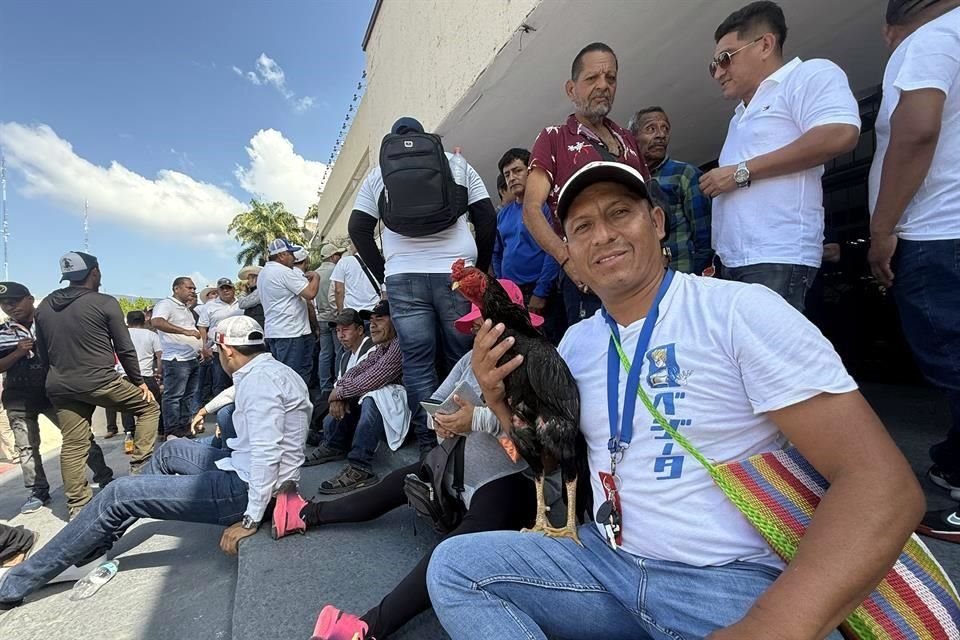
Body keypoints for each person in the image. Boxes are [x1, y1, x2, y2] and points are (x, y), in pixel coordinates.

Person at [426, 161, 925, 639]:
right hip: (607, 563)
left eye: (619, 213)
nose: (602, 235)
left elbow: (880, 483)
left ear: (658, 222)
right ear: (570, 253)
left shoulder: (737, 312)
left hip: (726, 584)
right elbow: (554, 460)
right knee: (453, 567)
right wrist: (500, 403)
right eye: (581, 227)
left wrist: (771, 626)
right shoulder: (574, 344)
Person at [274, 283, 548, 640]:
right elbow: (438, 397)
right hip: (455, 462)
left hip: (512, 480)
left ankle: (366, 628)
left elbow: (540, 441)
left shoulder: (538, 361)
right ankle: (305, 514)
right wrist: (442, 420)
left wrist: (478, 420)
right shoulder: (471, 359)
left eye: (483, 324)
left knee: (451, 554)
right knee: (395, 483)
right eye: (475, 326)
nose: (477, 332)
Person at [0, 315, 312, 611]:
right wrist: (205, 408)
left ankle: (14, 584)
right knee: (169, 451)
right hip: (242, 468)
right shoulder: (269, 372)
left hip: (245, 490)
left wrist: (250, 520)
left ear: (227, 350)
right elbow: (238, 394)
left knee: (119, 494)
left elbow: (266, 455)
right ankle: (92, 544)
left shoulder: (259, 383)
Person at [866, 0, 960, 541]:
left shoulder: (926, 41)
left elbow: (917, 129)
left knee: (952, 359)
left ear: (891, 28)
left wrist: (883, 228)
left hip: (938, 230)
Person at [348, 116, 496, 458]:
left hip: (404, 279)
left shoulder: (378, 174)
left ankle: (431, 446)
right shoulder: (457, 164)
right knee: (462, 356)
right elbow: (487, 218)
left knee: (417, 363)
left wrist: (385, 270)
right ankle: (465, 438)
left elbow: (358, 228)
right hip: (456, 273)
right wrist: (481, 267)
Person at [700, 1, 860, 311]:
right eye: (713, 65)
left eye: (725, 59)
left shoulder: (807, 75)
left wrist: (740, 172)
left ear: (765, 45)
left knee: (769, 358)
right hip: (736, 262)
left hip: (775, 258)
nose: (718, 72)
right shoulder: (739, 115)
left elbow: (840, 133)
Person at [522, 42, 649, 328]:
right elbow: (531, 208)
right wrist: (567, 260)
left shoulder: (628, 140)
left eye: (611, 78)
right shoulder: (553, 139)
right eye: (592, 78)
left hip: (638, 272)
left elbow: (648, 200)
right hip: (588, 276)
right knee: (596, 359)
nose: (603, 85)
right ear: (571, 89)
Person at [34, 253, 160, 518]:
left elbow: (43, 352)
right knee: (149, 408)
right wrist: (139, 382)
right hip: (101, 380)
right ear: (95, 272)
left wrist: (56, 376)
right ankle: (139, 470)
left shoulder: (45, 305)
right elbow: (124, 349)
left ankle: (77, 505)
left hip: (61, 383)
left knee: (73, 443)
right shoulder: (104, 302)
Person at [0, 282, 113, 515]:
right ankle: (37, 491)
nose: (10, 307)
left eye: (15, 301)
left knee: (80, 437)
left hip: (56, 393)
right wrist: (19, 352)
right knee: (26, 447)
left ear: (30, 299)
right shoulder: (3, 332)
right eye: (4, 303)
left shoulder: (49, 322)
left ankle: (105, 477)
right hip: (18, 397)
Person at [307, 301, 407, 493]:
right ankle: (334, 445)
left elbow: (375, 376)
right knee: (354, 394)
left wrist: (339, 392)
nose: (374, 325)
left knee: (373, 395)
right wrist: (339, 395)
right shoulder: (380, 349)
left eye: (380, 319)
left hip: (404, 417)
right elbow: (356, 372)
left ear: (395, 322)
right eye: (372, 320)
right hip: (387, 415)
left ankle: (360, 466)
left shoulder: (398, 345)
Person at [629, 106, 713, 274]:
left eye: (665, 129)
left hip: (682, 276)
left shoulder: (685, 175)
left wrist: (695, 278)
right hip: (642, 281)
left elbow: (705, 237)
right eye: (651, 129)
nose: (660, 135)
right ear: (633, 137)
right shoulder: (629, 180)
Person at [492, 148, 564, 343]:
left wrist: (540, 292)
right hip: (513, 296)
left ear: (530, 171)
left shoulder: (543, 208)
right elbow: (497, 253)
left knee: (550, 344)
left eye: (517, 171)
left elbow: (553, 251)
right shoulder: (503, 215)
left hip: (541, 293)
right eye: (507, 174)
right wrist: (502, 285)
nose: (512, 178)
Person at [305, 308, 375, 447]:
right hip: (348, 399)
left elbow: (361, 383)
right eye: (338, 331)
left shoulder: (371, 349)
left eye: (345, 329)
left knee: (336, 407)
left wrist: (339, 397)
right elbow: (339, 384)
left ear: (360, 330)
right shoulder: (345, 356)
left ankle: (329, 441)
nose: (341, 335)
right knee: (325, 399)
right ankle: (326, 437)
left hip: (361, 402)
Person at [258, 237, 321, 384]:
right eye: (290, 254)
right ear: (281, 256)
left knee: (282, 376)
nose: (294, 258)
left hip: (276, 331)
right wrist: (316, 277)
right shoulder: (283, 272)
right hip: (290, 333)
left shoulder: (264, 273)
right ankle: (294, 406)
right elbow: (310, 294)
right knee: (291, 379)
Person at [105, 311, 164, 454]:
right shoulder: (152, 335)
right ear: (144, 321)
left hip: (124, 375)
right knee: (156, 404)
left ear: (127, 322)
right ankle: (161, 431)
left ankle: (129, 435)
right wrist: (159, 372)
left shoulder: (119, 336)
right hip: (146, 376)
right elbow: (159, 355)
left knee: (127, 408)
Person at [152, 277, 203, 439]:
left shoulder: (186, 309)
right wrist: (184, 332)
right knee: (173, 396)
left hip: (191, 358)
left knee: (188, 396)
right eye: (189, 288)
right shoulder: (166, 304)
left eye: (194, 289)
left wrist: (201, 349)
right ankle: (172, 430)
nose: (193, 291)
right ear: (176, 289)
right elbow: (157, 321)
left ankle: (184, 427)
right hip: (176, 359)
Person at [198, 277, 243, 397]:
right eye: (222, 288)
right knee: (220, 382)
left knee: (241, 381)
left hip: (240, 348)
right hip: (218, 349)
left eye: (228, 288)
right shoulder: (209, 306)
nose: (225, 290)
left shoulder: (242, 303)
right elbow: (202, 327)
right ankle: (221, 413)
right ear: (218, 291)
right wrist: (204, 347)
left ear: (233, 289)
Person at [316, 243, 347, 391]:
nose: (339, 257)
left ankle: (324, 385)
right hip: (335, 317)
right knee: (339, 352)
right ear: (333, 256)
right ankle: (337, 383)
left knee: (325, 352)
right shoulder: (337, 270)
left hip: (321, 317)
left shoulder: (315, 273)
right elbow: (339, 293)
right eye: (338, 255)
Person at [331, 246, 380, 315]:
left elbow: (339, 290)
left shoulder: (344, 262)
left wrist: (341, 312)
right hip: (374, 310)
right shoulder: (378, 260)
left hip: (352, 313)